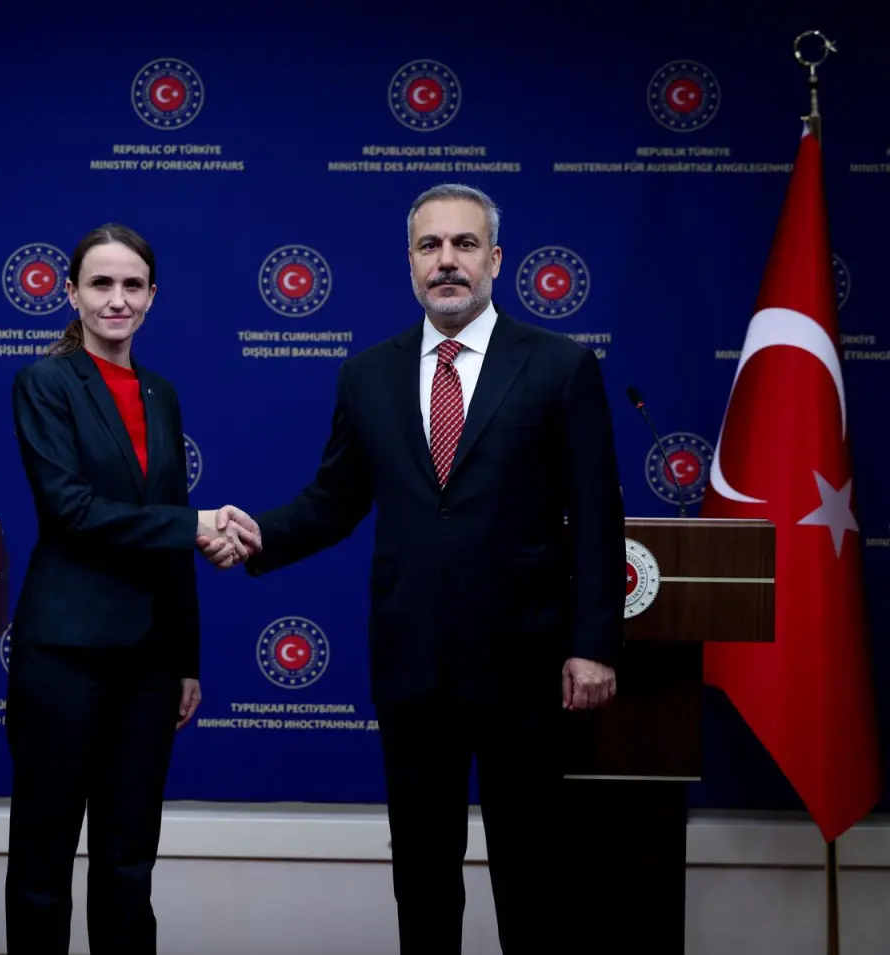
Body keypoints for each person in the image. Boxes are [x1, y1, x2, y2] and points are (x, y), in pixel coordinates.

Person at [200, 184, 624, 953]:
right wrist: (261, 534)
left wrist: (593, 644)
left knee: (532, 871)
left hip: (526, 664)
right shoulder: (368, 375)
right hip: (412, 666)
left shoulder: (561, 366)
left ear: (496, 259)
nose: (447, 261)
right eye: (431, 246)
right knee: (423, 873)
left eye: (465, 244)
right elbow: (334, 500)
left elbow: (597, 517)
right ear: (410, 264)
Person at [5, 223, 257, 955]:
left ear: (152, 296)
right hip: (64, 656)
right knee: (43, 861)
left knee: (128, 862)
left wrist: (185, 659)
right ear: (71, 293)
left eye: (132, 285)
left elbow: (168, 529)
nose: (117, 299)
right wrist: (195, 523)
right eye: (101, 283)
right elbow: (71, 511)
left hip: (149, 663)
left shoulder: (161, 394)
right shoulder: (45, 382)